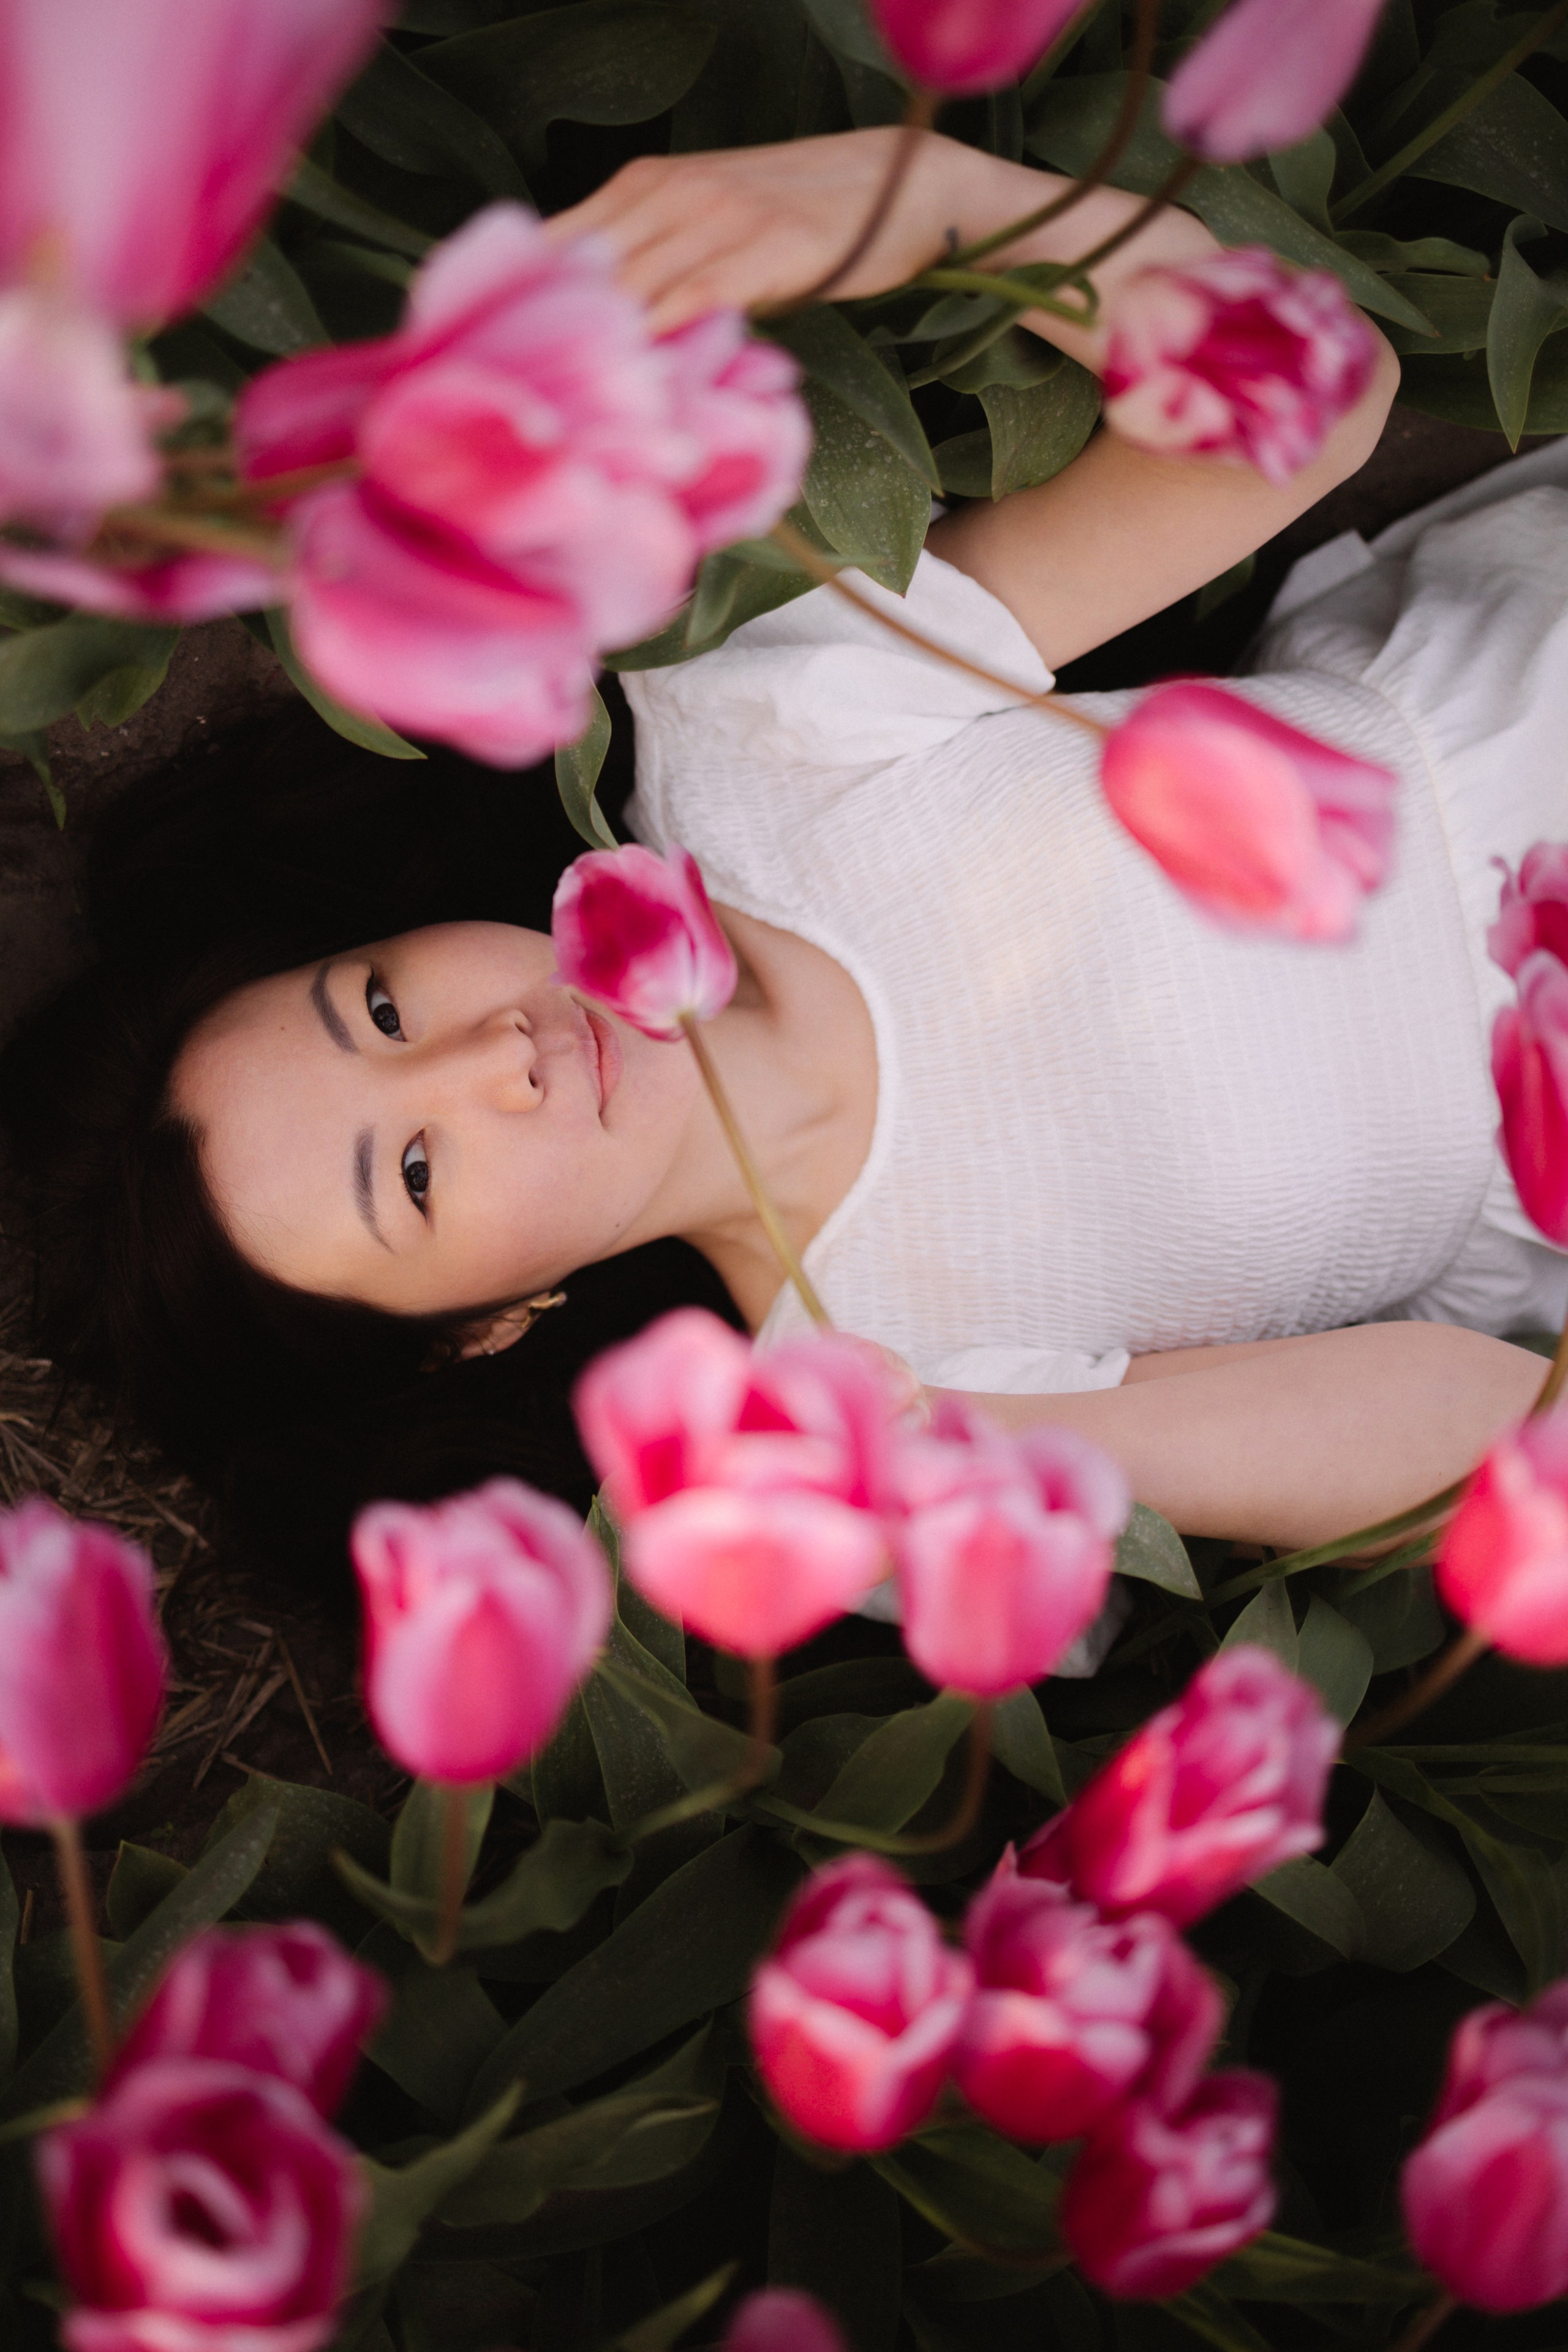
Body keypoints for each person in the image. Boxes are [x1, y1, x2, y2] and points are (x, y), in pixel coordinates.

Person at [4, 129, 1560, 1592]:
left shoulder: (756, 741)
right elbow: (1507, 1439)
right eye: (415, 1174)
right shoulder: (876, 1385)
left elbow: (1300, 406)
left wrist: (909, 195)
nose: (497, 1058)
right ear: (478, 1332)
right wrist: (984, 1454)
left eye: (384, 1006)